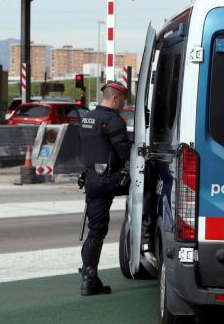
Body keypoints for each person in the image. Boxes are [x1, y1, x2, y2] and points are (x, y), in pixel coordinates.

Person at [79, 81, 132, 296]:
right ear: (115, 98)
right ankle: (146, 233)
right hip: (110, 179)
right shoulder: (113, 120)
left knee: (95, 230)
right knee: (148, 186)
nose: (123, 105)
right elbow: (125, 151)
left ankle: (89, 276)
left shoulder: (87, 117)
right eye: (122, 101)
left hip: (91, 179)